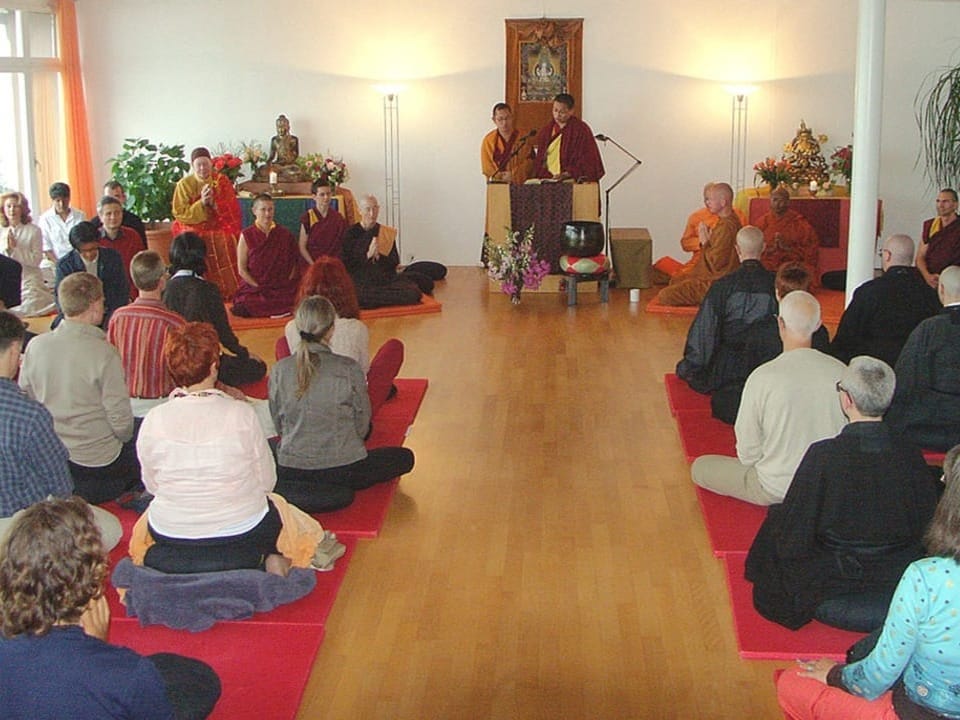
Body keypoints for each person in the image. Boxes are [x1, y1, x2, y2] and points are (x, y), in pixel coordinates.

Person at [745, 356, 939, 630]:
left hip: (834, 581)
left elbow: (797, 527)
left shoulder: (824, 455)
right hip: (899, 575)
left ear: (846, 399)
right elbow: (926, 520)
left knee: (779, 521)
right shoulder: (909, 452)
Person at [776, 446, 960, 720]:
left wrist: (834, 674)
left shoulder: (928, 577)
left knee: (790, 684)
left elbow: (876, 677)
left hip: (919, 712)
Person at [0, 497, 221, 719]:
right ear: (93, 581)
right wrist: (95, 649)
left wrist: (92, 650)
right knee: (196, 682)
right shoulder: (127, 673)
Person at [137, 322, 289, 575]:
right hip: (241, 528)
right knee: (275, 513)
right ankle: (259, 559)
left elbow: (152, 486)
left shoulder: (154, 418)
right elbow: (266, 482)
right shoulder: (240, 413)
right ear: (213, 367)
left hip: (170, 530)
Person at [691, 291, 847, 504]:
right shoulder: (842, 372)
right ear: (819, 324)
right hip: (827, 487)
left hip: (775, 487)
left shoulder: (763, 376)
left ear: (780, 323)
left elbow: (747, 452)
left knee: (700, 467)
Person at [269, 296, 415, 513]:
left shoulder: (280, 370)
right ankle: (330, 490)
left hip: (293, 466)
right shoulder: (348, 368)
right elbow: (362, 426)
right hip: (344, 467)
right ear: (330, 330)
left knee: (267, 449)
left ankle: (303, 491)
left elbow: (278, 424)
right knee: (405, 458)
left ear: (298, 327)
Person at [0, 311, 121, 549]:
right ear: (15, 349)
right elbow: (61, 488)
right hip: (24, 527)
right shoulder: (29, 414)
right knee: (112, 529)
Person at [20, 273, 140, 505]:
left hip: (53, 457)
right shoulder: (104, 353)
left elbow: (28, 400)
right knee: (141, 429)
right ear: (95, 306)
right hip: (99, 464)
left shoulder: (36, 346)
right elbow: (121, 424)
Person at [711, 262, 831, 424]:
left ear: (776, 294)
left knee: (722, 399)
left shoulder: (761, 330)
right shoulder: (821, 332)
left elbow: (749, 374)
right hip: (809, 399)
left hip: (772, 398)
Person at [284, 257, 404, 416]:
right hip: (347, 413)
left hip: (304, 408)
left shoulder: (292, 327)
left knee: (283, 346)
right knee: (394, 348)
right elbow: (362, 371)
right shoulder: (355, 328)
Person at [676, 226, 776, 395]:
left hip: (728, 367)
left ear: (737, 249)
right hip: (766, 367)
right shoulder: (776, 285)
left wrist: (690, 366)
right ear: (764, 247)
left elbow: (705, 331)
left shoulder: (723, 286)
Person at [163, 232, 266, 387]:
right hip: (203, 361)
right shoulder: (208, 289)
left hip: (172, 361)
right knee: (258, 367)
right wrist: (243, 353)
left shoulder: (165, 288)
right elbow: (223, 331)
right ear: (202, 258)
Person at [828, 233, 941, 366]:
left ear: (887, 255)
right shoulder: (929, 294)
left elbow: (846, 337)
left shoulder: (869, 291)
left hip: (872, 370)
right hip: (913, 371)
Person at [886, 264, 960, 451]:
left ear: (941, 290)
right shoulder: (929, 329)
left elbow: (905, 383)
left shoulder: (929, 330)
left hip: (932, 430)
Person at [106, 250, 186, 417]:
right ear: (162, 281)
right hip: (161, 406)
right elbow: (184, 371)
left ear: (134, 281)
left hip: (124, 405)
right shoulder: (174, 323)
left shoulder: (117, 317)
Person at [171, 146, 242, 299]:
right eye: (199, 165)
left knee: (227, 238)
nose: (203, 168)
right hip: (192, 224)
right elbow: (180, 213)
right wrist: (201, 204)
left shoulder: (221, 181)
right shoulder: (184, 184)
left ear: (211, 164)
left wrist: (215, 204)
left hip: (218, 222)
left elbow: (232, 208)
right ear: (193, 166)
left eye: (205, 164)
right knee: (193, 239)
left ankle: (228, 287)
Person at [656, 182, 741, 306]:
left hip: (717, 282)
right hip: (709, 274)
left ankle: (710, 301)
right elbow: (686, 243)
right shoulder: (725, 220)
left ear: (723, 202)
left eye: (710, 200)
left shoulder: (727, 227)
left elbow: (716, 263)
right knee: (676, 280)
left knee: (665, 296)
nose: (707, 203)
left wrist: (705, 242)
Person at [342, 194, 433, 308]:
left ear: (379, 209)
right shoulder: (350, 233)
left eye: (375, 208)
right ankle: (374, 299)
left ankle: (373, 301)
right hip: (362, 281)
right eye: (368, 209)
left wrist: (380, 257)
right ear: (359, 211)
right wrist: (367, 256)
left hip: (383, 280)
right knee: (357, 294)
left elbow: (393, 264)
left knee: (413, 292)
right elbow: (347, 265)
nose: (372, 213)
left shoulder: (384, 232)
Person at [232, 193, 300, 318]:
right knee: (244, 305)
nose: (267, 214)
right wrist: (258, 286)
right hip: (256, 287)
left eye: (270, 209)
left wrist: (285, 283)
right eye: (263, 209)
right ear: (254, 211)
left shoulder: (284, 234)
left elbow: (295, 263)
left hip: (279, 287)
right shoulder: (247, 235)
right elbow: (242, 269)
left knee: (297, 299)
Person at [53, 221, 129, 329]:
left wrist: (108, 318)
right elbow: (61, 298)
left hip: (108, 313)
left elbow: (121, 292)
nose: (89, 254)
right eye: (84, 251)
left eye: (93, 249)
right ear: (76, 249)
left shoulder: (112, 258)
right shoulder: (65, 265)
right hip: (77, 316)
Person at [0, 191, 55, 317]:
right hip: (4, 278)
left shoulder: (33, 231)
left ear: (22, 209)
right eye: (8, 206)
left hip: (29, 278)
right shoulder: (1, 231)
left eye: (16, 206)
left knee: (31, 304)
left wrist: (16, 249)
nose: (12, 210)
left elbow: (36, 260)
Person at [533, 93, 604, 182]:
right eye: (555, 110)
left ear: (571, 111)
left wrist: (567, 174)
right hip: (548, 179)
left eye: (562, 112)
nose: (557, 115)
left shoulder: (581, 130)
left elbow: (588, 160)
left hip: (571, 179)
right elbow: (541, 160)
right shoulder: (546, 131)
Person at [757, 185, 819, 280]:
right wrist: (771, 249)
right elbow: (753, 248)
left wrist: (787, 248)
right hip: (768, 263)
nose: (777, 204)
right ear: (770, 201)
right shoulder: (762, 222)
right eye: (775, 200)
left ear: (788, 202)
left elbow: (810, 251)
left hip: (791, 263)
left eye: (781, 200)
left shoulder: (799, 223)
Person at [96, 194, 146, 299]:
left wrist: (133, 296)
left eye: (117, 213)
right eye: (108, 214)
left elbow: (141, 267)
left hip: (132, 294)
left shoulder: (133, 236)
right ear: (100, 217)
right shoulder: (95, 240)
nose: (113, 217)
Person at [916, 187, 960, 288]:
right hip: (929, 279)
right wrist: (927, 276)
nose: (940, 205)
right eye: (938, 201)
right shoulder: (931, 225)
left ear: (955, 204)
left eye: (945, 201)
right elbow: (920, 257)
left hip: (954, 280)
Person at [481, 102, 534, 183]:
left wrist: (514, 175)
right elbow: (487, 167)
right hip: (497, 186)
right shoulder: (488, 140)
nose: (504, 123)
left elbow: (530, 162)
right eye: (500, 119)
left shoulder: (523, 138)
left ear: (512, 117)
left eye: (507, 118)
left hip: (519, 185)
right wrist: (500, 177)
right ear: (494, 120)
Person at [298, 176, 347, 264]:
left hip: (333, 263)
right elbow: (302, 247)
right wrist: (313, 265)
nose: (326, 198)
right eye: (322, 194)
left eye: (328, 194)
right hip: (312, 263)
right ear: (314, 196)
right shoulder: (308, 218)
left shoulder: (338, 218)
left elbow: (343, 245)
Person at [37, 181, 86, 265]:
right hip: (56, 261)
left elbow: (84, 241)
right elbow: (46, 247)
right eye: (58, 201)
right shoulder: (45, 219)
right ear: (52, 200)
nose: (61, 204)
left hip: (79, 260)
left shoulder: (80, 216)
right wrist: (59, 264)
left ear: (69, 198)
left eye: (65, 200)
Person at [89, 180, 148, 246]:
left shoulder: (135, 222)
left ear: (124, 198)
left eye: (116, 196)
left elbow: (143, 252)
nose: (112, 200)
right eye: (108, 197)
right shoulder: (93, 225)